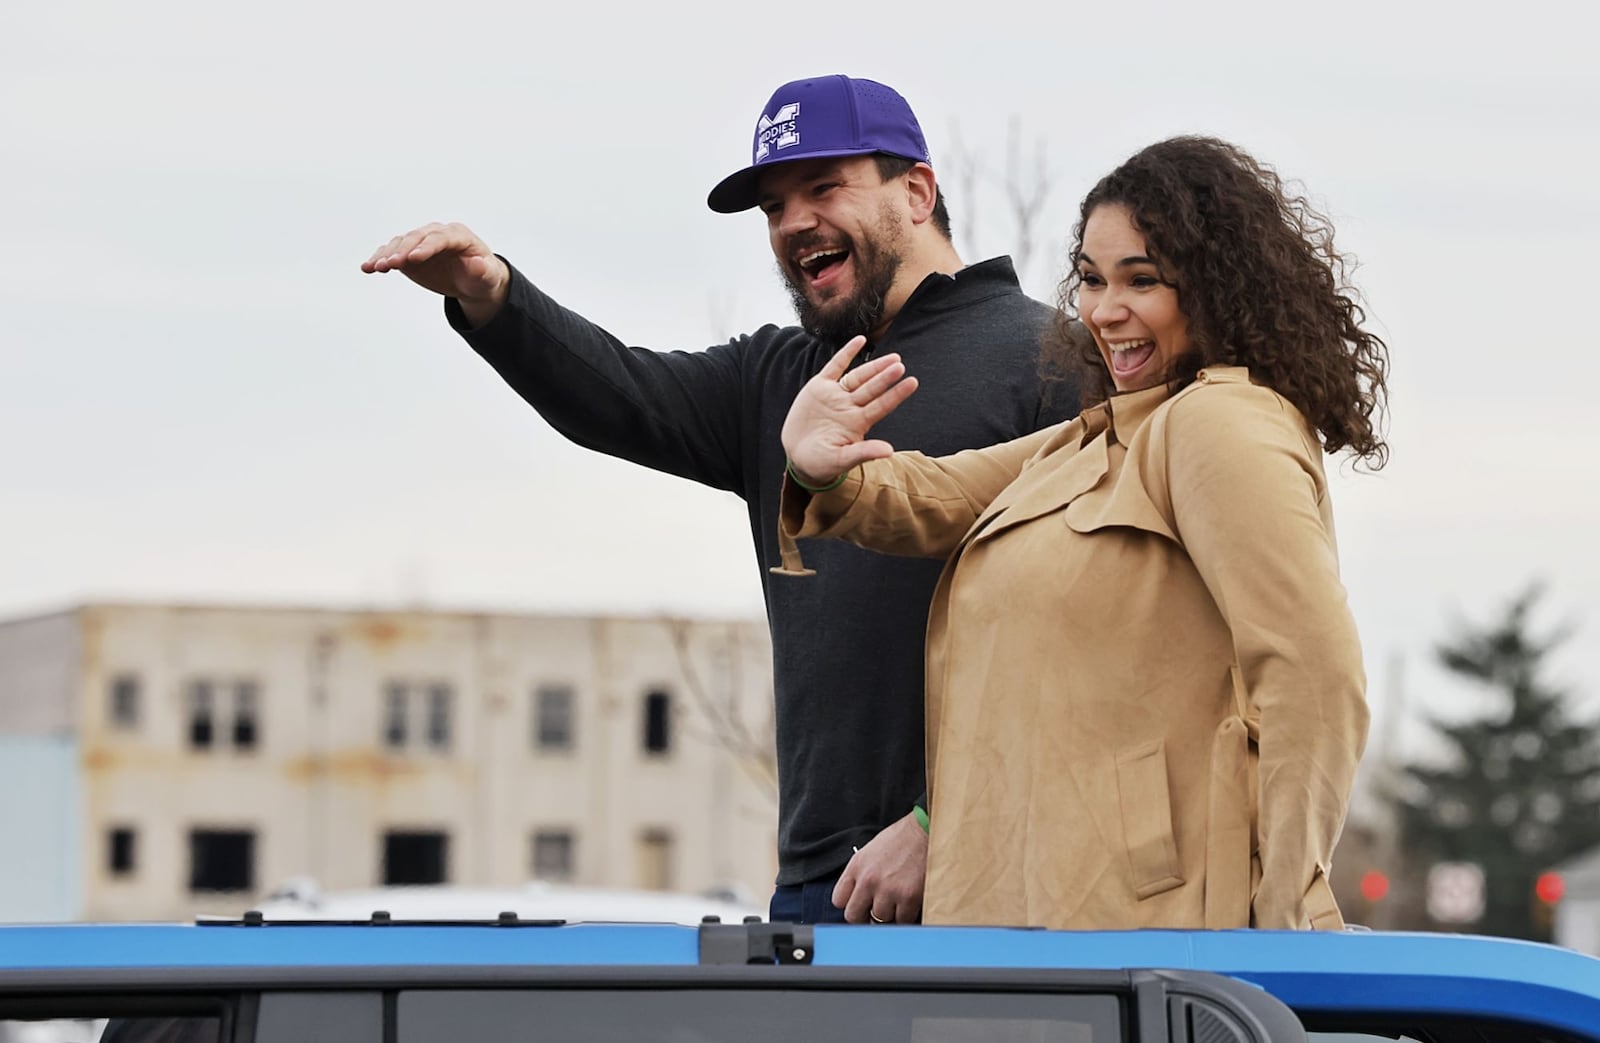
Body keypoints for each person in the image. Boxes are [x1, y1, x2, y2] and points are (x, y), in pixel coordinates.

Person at [361, 75, 1079, 924]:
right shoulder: (778, 377)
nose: (793, 223)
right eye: (774, 206)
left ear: (916, 191)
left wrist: (940, 818)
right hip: (815, 883)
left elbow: (1084, 637)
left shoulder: (1052, 357)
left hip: (982, 868)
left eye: (823, 187)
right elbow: (621, 393)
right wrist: (491, 294)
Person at [777, 135, 1387, 930]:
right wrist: (820, 467)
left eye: (1142, 279)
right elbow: (937, 494)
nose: (1104, 310)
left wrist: (1289, 910)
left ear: (1216, 285)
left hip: (1144, 941)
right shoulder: (1107, 432)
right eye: (1093, 280)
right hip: (1027, 923)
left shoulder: (1216, 426)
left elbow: (1313, 674)